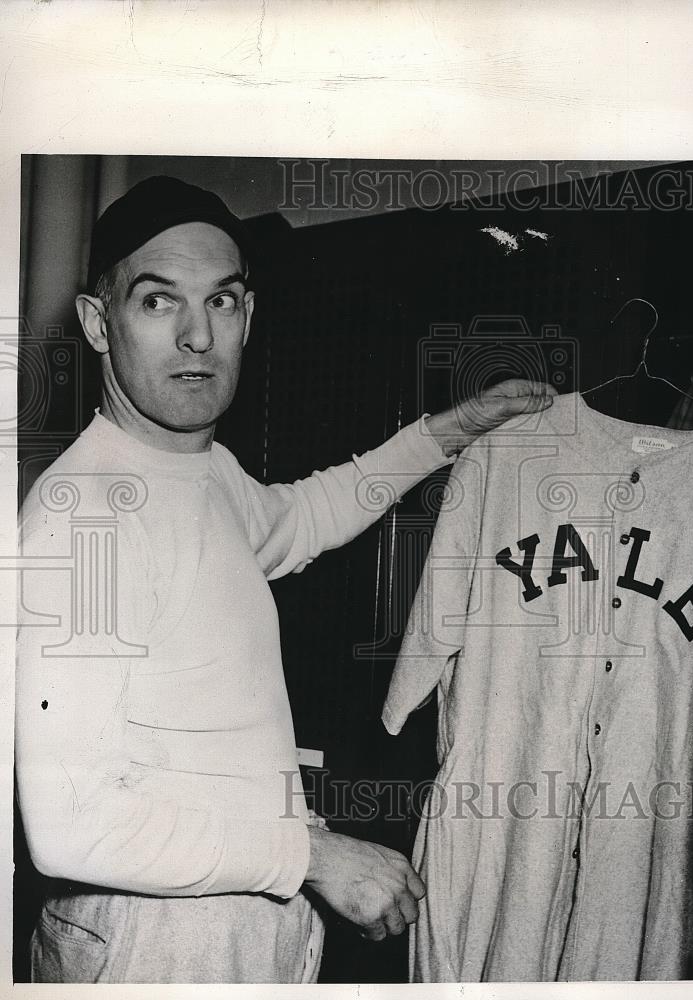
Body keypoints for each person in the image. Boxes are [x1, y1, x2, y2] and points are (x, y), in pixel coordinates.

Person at [15, 175, 556, 984]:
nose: (198, 337)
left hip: (243, 915)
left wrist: (451, 430)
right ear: (99, 324)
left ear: (248, 314)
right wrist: (315, 857)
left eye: (222, 301)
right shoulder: (86, 518)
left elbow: (300, 518)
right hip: (152, 944)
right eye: (159, 302)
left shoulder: (201, 469)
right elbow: (71, 827)